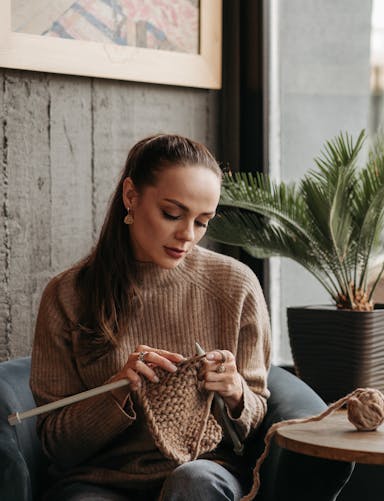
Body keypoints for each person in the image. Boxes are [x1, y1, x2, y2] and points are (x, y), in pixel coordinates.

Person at [30, 134, 270, 500]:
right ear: (131, 196)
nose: (187, 235)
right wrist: (116, 391)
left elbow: (257, 417)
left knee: (194, 482)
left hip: (204, 470)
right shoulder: (67, 295)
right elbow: (54, 444)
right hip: (101, 480)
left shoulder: (236, 285)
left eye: (203, 222)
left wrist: (236, 393)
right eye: (172, 214)